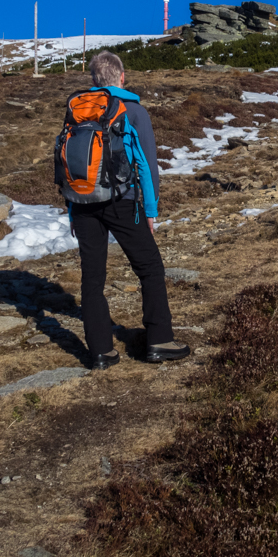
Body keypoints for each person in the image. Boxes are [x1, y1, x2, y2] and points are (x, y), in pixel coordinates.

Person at [66, 51, 189, 370]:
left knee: (92, 278)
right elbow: (147, 165)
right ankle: (160, 340)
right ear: (122, 77)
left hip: (82, 204)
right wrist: (150, 209)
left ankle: (100, 353)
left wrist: (71, 212)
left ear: (94, 80)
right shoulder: (133, 110)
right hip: (123, 201)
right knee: (149, 267)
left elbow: (72, 163)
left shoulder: (77, 110)